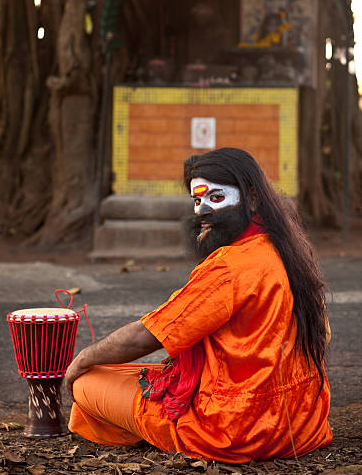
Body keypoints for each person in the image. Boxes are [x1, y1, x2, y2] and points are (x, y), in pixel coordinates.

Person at [66, 147, 332, 463]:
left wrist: (82, 358)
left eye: (216, 199)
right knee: (122, 371)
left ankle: (146, 429)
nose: (202, 211)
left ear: (252, 198)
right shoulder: (288, 252)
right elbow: (323, 335)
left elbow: (147, 335)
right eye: (197, 201)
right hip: (300, 424)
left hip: (233, 431)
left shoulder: (229, 266)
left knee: (87, 381)